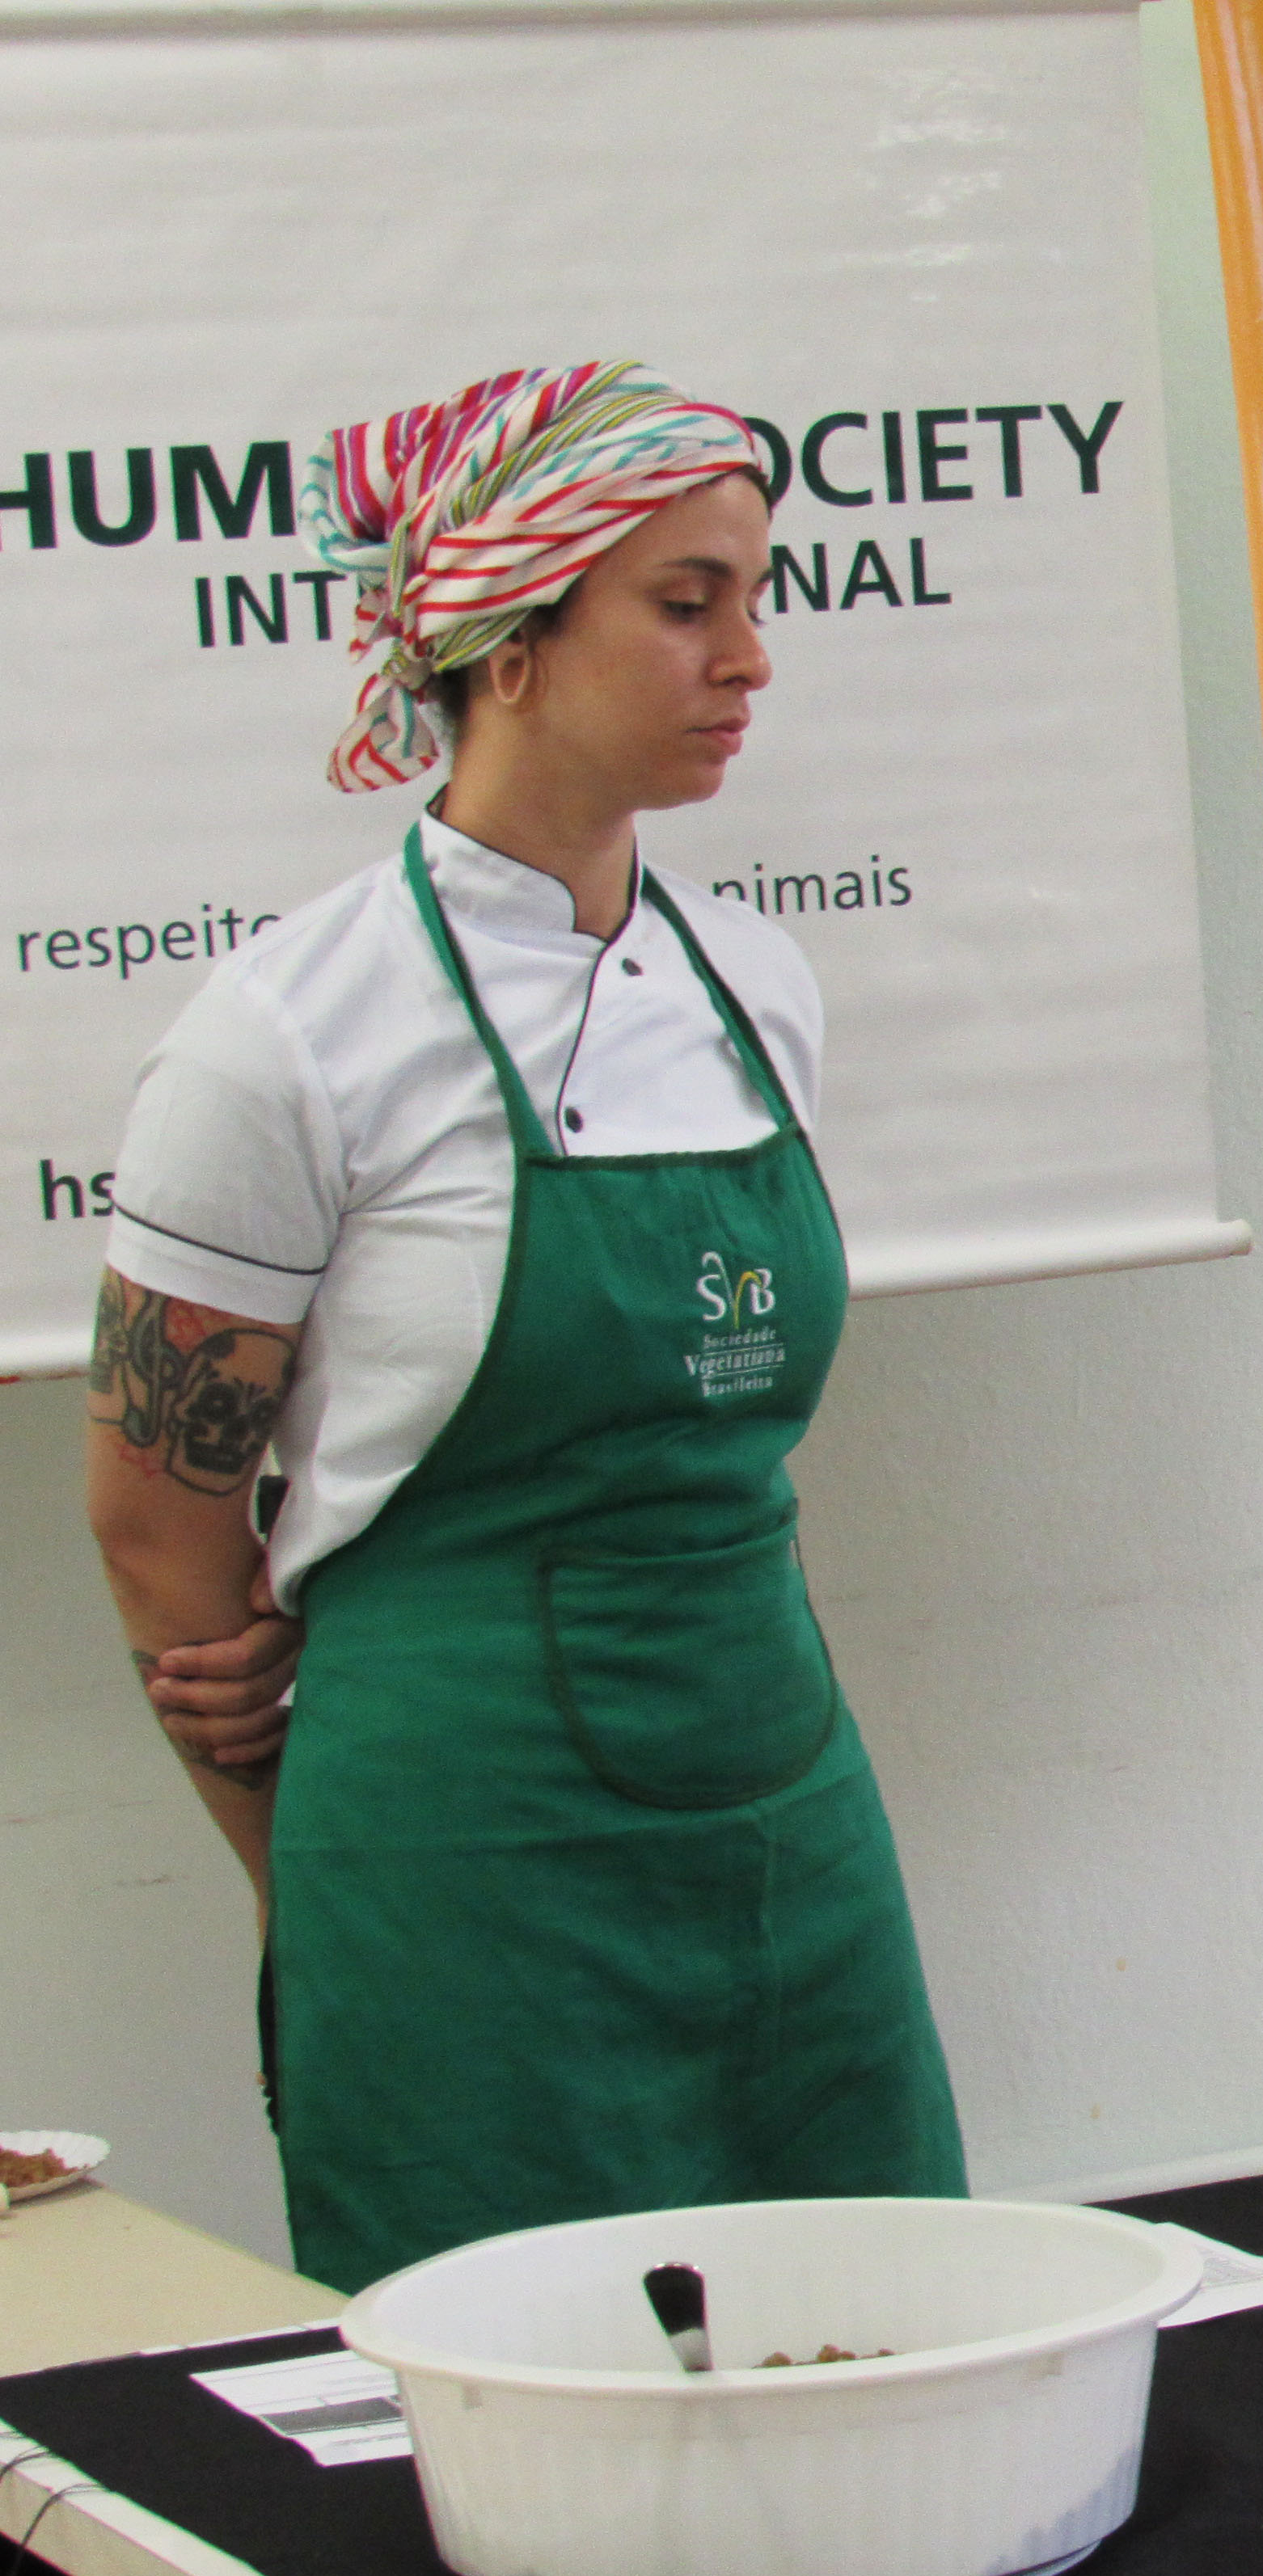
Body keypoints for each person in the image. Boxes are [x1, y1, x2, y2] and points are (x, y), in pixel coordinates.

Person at [83, 362, 965, 2290]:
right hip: (450, 1844)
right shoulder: (291, 1034)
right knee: (509, 2399)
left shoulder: (759, 985)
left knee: (878, 2329)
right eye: (686, 601)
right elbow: (156, 1516)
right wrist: (299, 1854)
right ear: (509, 637)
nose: (751, 656)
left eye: (756, 595)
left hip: (777, 1795)